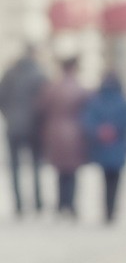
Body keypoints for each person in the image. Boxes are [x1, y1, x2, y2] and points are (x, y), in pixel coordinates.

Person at [38, 57, 89, 219]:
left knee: (60, 172)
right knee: (72, 172)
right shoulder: (79, 88)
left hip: (54, 131)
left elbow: (41, 108)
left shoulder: (52, 87)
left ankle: (61, 204)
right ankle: (70, 205)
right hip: (74, 132)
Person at [81, 72, 126, 224]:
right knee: (116, 182)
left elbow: (88, 120)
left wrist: (100, 131)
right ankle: (112, 210)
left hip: (103, 148)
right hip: (117, 148)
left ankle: (107, 210)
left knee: (105, 181)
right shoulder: (122, 100)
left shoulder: (97, 100)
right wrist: (114, 130)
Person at [0, 44, 48, 217]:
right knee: (35, 166)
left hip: (13, 126)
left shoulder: (10, 74)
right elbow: (45, 102)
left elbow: (2, 99)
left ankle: (18, 204)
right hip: (33, 127)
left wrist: (10, 116)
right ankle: (37, 203)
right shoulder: (39, 75)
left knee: (15, 167)